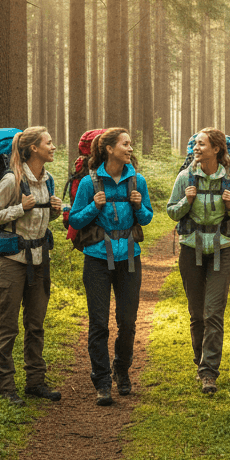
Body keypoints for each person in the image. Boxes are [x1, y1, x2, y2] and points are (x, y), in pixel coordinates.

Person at [68, 126, 153, 405]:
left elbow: (147, 218)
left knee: (127, 321)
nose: (130, 149)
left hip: (129, 254)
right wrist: (94, 205)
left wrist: (139, 207)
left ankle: (121, 369)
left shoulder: (137, 180)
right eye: (125, 144)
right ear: (108, 149)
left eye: (130, 144)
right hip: (96, 258)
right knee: (99, 323)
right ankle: (102, 380)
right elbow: (75, 221)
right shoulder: (89, 184)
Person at [0, 127, 63, 407]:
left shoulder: (48, 180)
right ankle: (5, 385)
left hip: (40, 260)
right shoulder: (11, 180)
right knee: (7, 326)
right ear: (33, 149)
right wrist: (20, 208)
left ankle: (35, 382)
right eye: (48, 143)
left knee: (35, 324)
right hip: (12, 263)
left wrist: (53, 211)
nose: (53, 147)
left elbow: (41, 221)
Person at [167, 128, 230, 395]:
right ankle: (199, 358)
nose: (195, 148)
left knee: (214, 312)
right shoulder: (185, 177)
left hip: (222, 251)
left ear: (216, 149)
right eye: (195, 145)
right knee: (197, 314)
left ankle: (208, 372)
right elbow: (171, 212)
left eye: (201, 144)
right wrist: (187, 201)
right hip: (191, 250)